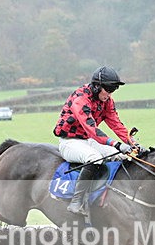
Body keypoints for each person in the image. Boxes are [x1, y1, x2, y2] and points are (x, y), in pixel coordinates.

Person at [53, 66, 138, 215]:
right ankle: (76, 202)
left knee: (122, 156)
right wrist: (117, 144)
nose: (110, 94)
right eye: (108, 90)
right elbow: (92, 129)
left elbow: (116, 124)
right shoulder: (80, 99)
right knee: (94, 158)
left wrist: (132, 142)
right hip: (70, 142)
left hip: (89, 140)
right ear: (97, 86)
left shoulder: (107, 101)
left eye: (113, 90)